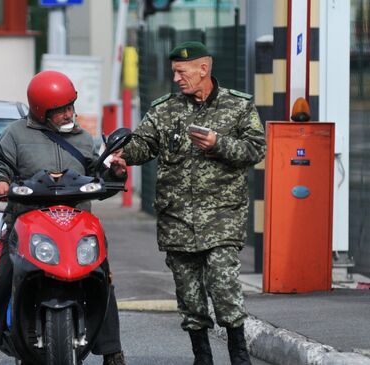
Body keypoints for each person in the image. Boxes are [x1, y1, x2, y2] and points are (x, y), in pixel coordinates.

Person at [111, 41, 266, 365]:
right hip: (177, 219)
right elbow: (144, 144)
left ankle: (239, 356)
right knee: (190, 297)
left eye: (182, 72)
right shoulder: (165, 109)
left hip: (222, 217)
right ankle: (202, 357)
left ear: (203, 69)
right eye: (174, 73)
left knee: (224, 288)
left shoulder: (238, 107)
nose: (177, 79)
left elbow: (256, 150)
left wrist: (217, 143)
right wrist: (123, 156)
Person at [0, 70, 127, 365]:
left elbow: (97, 177)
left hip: (77, 222)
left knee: (103, 277)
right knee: (3, 277)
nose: (70, 113)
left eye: (71, 105)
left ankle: (113, 351)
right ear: (42, 112)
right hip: (27, 220)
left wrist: (114, 172)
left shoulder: (83, 138)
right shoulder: (16, 134)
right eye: (62, 109)